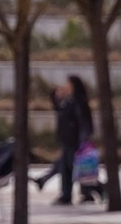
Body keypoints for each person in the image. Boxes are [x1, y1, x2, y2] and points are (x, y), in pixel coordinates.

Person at [34, 74, 94, 205]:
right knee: (68, 168)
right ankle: (81, 193)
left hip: (75, 142)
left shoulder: (78, 102)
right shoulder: (68, 101)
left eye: (68, 84)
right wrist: (54, 96)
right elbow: (59, 110)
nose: (65, 86)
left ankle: (84, 192)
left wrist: (83, 141)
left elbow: (84, 123)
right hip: (67, 140)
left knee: (71, 168)